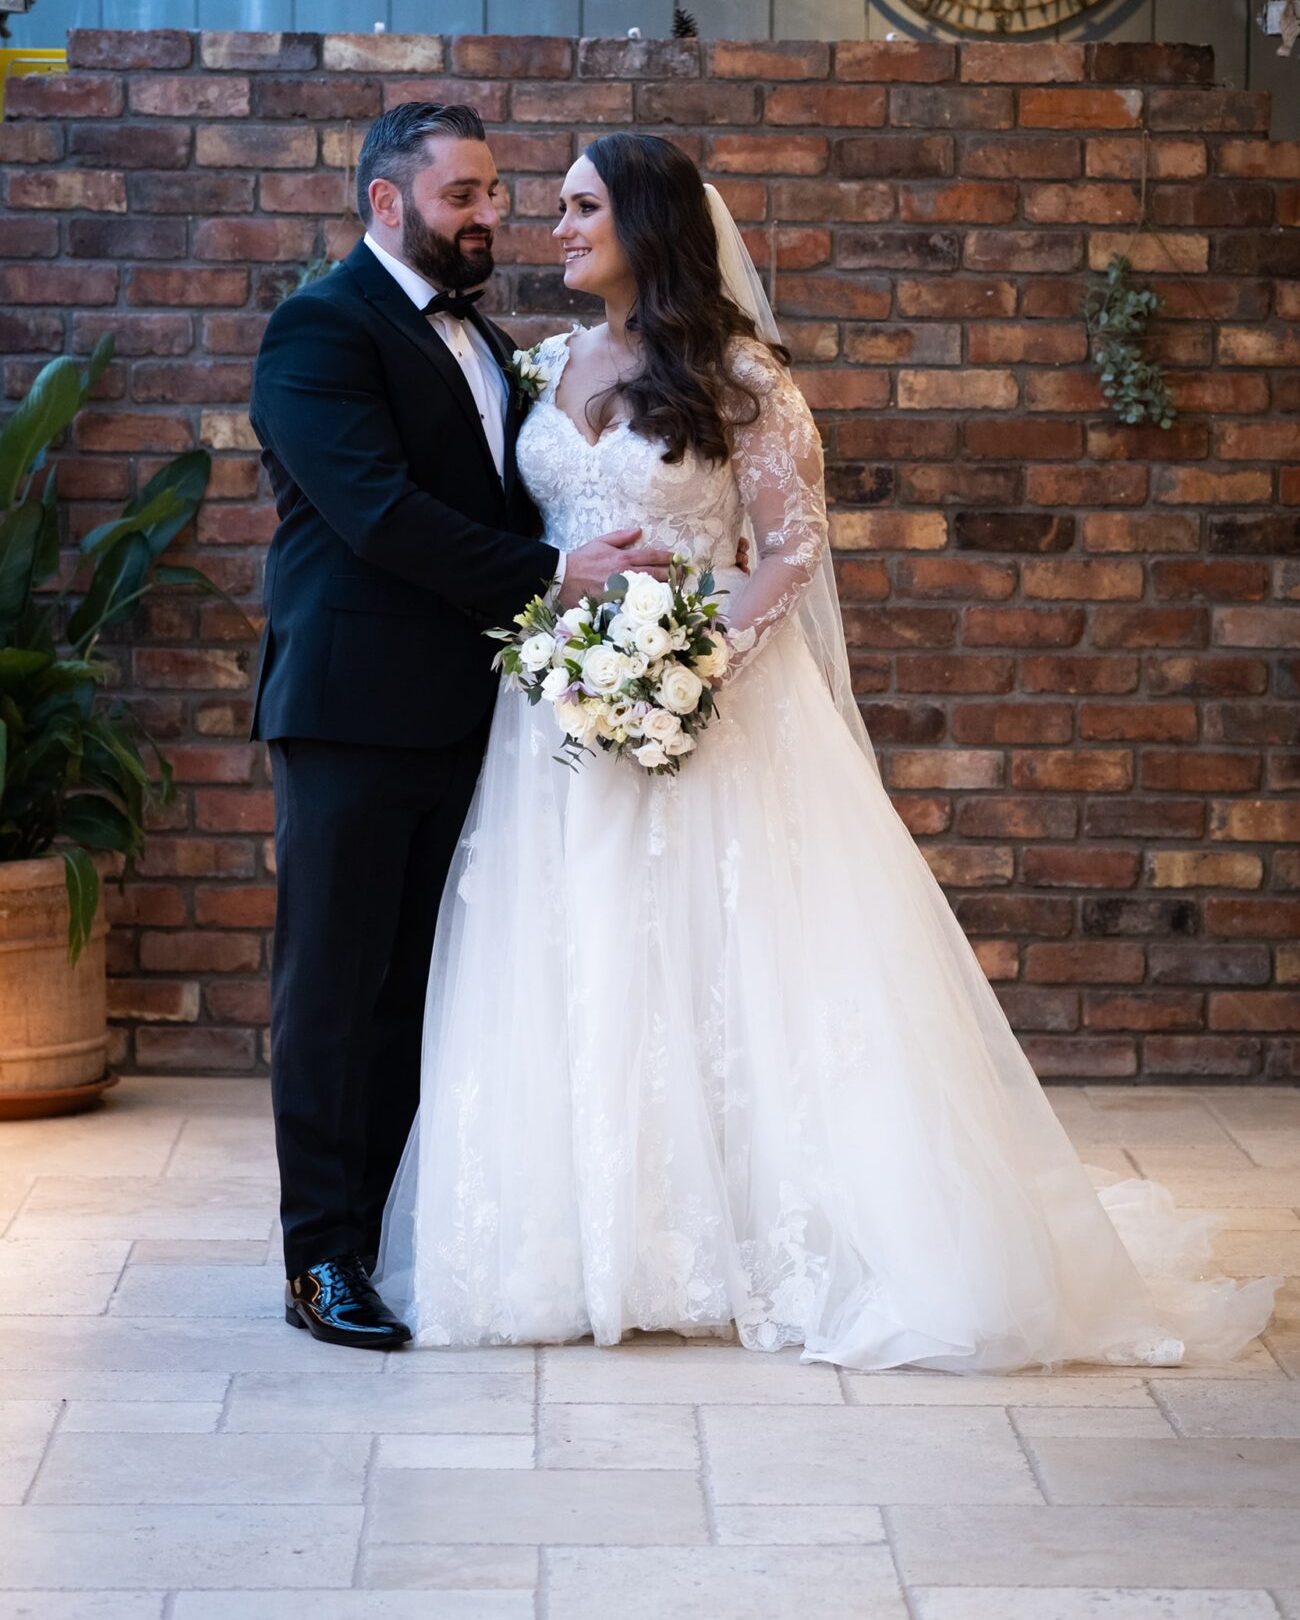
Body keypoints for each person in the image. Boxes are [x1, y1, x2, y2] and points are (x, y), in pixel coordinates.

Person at [377, 131, 1277, 1373]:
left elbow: (791, 554)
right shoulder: (542, 368)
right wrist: (592, 676)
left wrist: (687, 671)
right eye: (558, 209)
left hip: (710, 712)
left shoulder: (743, 378)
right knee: (578, 958)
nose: (557, 228)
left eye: (584, 207)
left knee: (734, 962)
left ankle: (765, 1241)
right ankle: (594, 1245)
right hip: (561, 727)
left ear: (647, 223)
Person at [248, 102, 671, 1349]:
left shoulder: (490, 344)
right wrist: (555, 582)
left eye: (497, 192)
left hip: (472, 719)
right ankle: (317, 1263)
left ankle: (374, 1243)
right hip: (348, 713)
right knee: (331, 991)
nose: (494, 214)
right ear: (389, 204)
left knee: (410, 997)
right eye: (465, 196)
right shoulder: (318, 329)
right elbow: (376, 515)